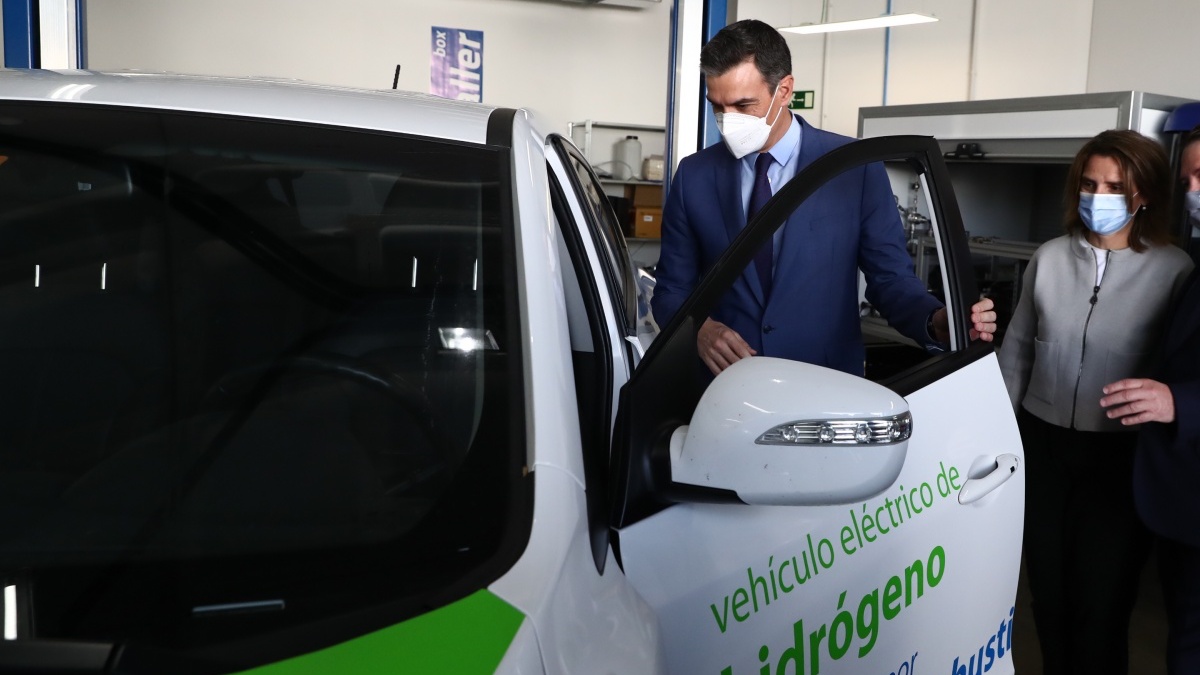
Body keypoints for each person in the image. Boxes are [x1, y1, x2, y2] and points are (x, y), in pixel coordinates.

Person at [649, 19, 995, 378]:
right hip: (724, 387)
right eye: (717, 107)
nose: (726, 120)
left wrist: (935, 319)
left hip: (825, 386)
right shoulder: (695, 176)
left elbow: (890, 280)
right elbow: (671, 290)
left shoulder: (853, 167)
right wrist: (700, 330)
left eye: (743, 105)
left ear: (784, 91)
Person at [997, 129, 1194, 674]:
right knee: (1048, 598)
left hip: (1120, 459)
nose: (1097, 197)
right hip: (1044, 444)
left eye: (1115, 185)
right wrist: (991, 437)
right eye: (1089, 183)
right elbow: (1016, 355)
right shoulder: (1050, 258)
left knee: (1102, 606)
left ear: (1145, 193)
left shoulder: (1174, 271)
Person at [1100, 125, 1200, 674]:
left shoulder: (1174, 267)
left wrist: (1178, 402)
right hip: (1177, 499)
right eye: (1186, 178)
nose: (1192, 190)